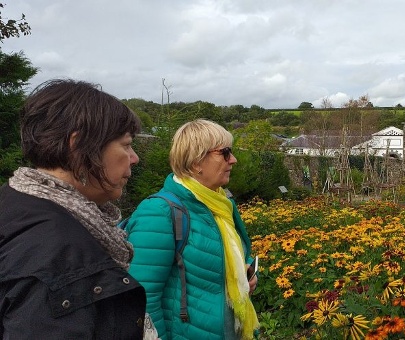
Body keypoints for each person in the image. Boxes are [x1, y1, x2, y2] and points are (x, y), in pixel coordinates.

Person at [0, 79, 146, 338]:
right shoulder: (59, 250)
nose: (134, 157)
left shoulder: (14, 203)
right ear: (78, 147)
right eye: (125, 144)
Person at [123, 119, 259, 340]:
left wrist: (246, 276)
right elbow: (142, 300)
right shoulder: (159, 212)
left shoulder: (220, 204)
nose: (233, 160)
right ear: (197, 161)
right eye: (225, 152)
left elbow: (234, 257)